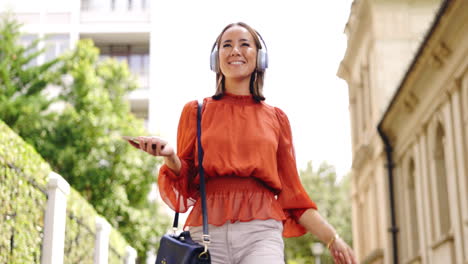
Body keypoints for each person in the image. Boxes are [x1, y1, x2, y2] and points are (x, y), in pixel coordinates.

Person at [127, 22, 357, 264]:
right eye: (227, 45)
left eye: (244, 44)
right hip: (206, 236)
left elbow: (294, 198)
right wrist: (170, 156)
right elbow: (185, 185)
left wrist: (333, 238)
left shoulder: (276, 118)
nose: (235, 50)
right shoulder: (195, 112)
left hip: (261, 233)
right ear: (216, 59)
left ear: (260, 57)